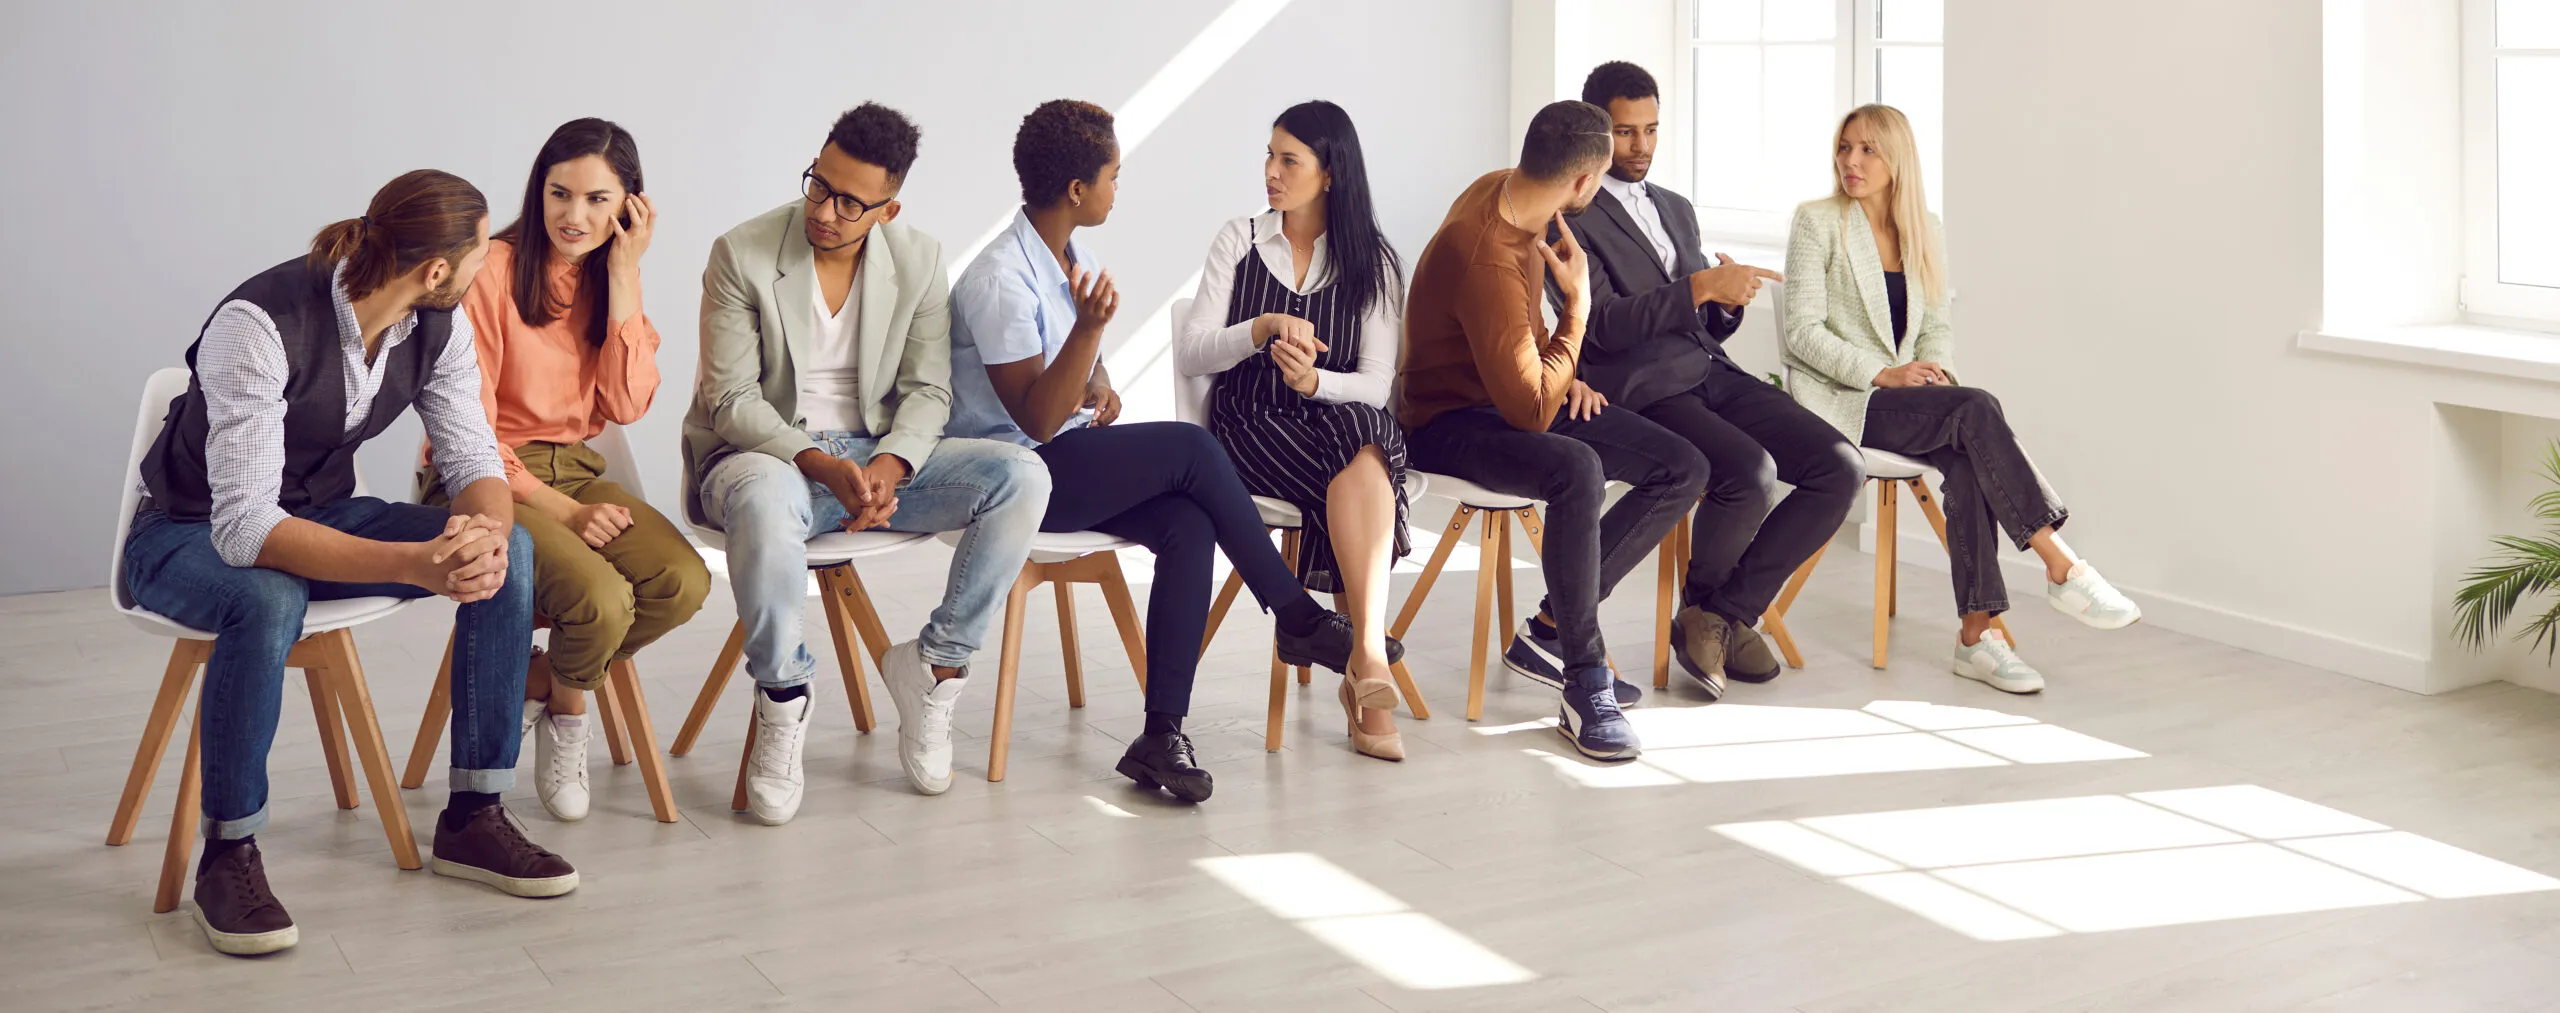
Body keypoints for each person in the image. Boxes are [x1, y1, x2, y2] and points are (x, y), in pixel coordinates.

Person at [127, 170, 574, 957]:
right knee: (266, 598)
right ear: (436, 269)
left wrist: (483, 538)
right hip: (184, 531)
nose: (486, 269)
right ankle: (227, 855)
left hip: (321, 512)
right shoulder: (257, 324)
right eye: (480, 256)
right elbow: (245, 527)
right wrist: (416, 564)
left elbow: (474, 459)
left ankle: (474, 816)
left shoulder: (437, 324)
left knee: (517, 546)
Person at [949, 99, 1367, 801]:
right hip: (1008, 475)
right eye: (1113, 176)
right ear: (1077, 189)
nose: (1119, 188)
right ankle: (1297, 617)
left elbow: (1076, 373)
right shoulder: (999, 279)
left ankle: (1160, 736)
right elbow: (1039, 420)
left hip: (1061, 456)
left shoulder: (1072, 257)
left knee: (1187, 521)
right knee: (1193, 449)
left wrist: (1101, 383)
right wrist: (1088, 335)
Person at [686, 103, 1052, 824]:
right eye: (818, 186)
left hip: (873, 458)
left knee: (1021, 476)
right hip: (766, 458)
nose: (824, 211)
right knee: (764, 497)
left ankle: (935, 667)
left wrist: (891, 464)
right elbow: (730, 400)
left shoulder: (919, 260)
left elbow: (928, 390)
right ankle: (783, 696)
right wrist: (819, 463)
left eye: (850, 203)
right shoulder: (742, 252)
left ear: (888, 210)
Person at [1781, 104, 2142, 694]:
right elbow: (1802, 331)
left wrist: (1937, 376)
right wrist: (1884, 374)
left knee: (1968, 452)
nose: (1851, 161)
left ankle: (1977, 638)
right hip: (1841, 400)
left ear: (1898, 158)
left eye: (1868, 149)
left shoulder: (1924, 226)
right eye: (1845, 147)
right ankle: (2061, 564)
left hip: (1906, 400)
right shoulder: (1817, 221)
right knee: (1976, 409)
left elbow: (1936, 327)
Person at [1400, 101, 1710, 762]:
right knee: (1576, 468)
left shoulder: (1511, 194)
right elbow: (1531, 413)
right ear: (1585, 181)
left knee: (1683, 466)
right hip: (1444, 420)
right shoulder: (1485, 253)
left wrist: (1559, 368)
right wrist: (1578, 311)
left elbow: (1521, 340)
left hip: (1509, 391)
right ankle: (1584, 678)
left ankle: (1549, 628)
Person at [425, 118, 709, 822]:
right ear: (539, 190)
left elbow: (627, 403)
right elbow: (470, 435)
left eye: (597, 200)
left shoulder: (606, 278)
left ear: (629, 207)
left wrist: (625, 274)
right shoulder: (491, 271)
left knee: (682, 581)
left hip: (576, 468)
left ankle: (546, 683)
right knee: (601, 601)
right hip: (481, 478)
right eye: (560, 194)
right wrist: (568, 514)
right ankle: (572, 713)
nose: (574, 216)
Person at [1562, 62, 1860, 700]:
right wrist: (1699, 286)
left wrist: (1724, 303)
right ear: (1595, 132)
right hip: (1645, 389)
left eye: (1651, 129)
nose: (1641, 145)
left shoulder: (1676, 207)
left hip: (1712, 370)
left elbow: (1700, 322)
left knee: (1840, 467)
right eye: (1625, 132)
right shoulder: (1572, 215)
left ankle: (1718, 615)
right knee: (1749, 472)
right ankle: (1713, 616)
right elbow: (1602, 325)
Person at [1174, 100, 1411, 762]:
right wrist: (1259, 329)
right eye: (1269, 156)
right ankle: (1368, 665)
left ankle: (1361, 654)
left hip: (1333, 423)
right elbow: (1192, 352)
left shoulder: (1375, 264)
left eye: (1289, 160)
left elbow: (1376, 383)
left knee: (1360, 433)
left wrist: (1314, 384)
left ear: (1329, 173)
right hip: (1250, 427)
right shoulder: (1240, 240)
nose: (1271, 173)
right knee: (1362, 466)